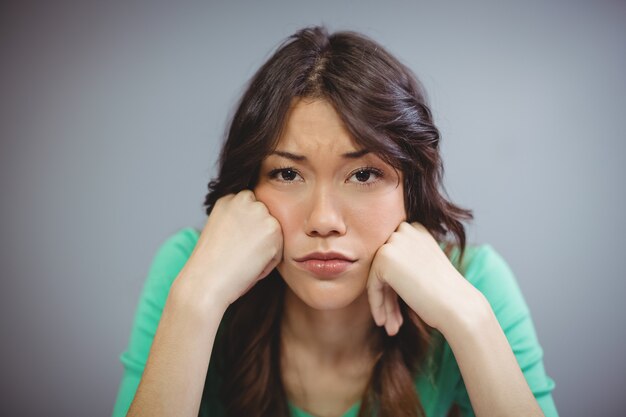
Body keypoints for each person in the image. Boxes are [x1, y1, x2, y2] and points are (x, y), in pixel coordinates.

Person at [112, 26, 558, 417]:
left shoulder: (472, 281)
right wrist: (197, 302)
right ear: (245, 190)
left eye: (364, 174)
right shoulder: (191, 274)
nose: (323, 221)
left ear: (411, 190)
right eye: (287, 174)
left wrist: (468, 319)